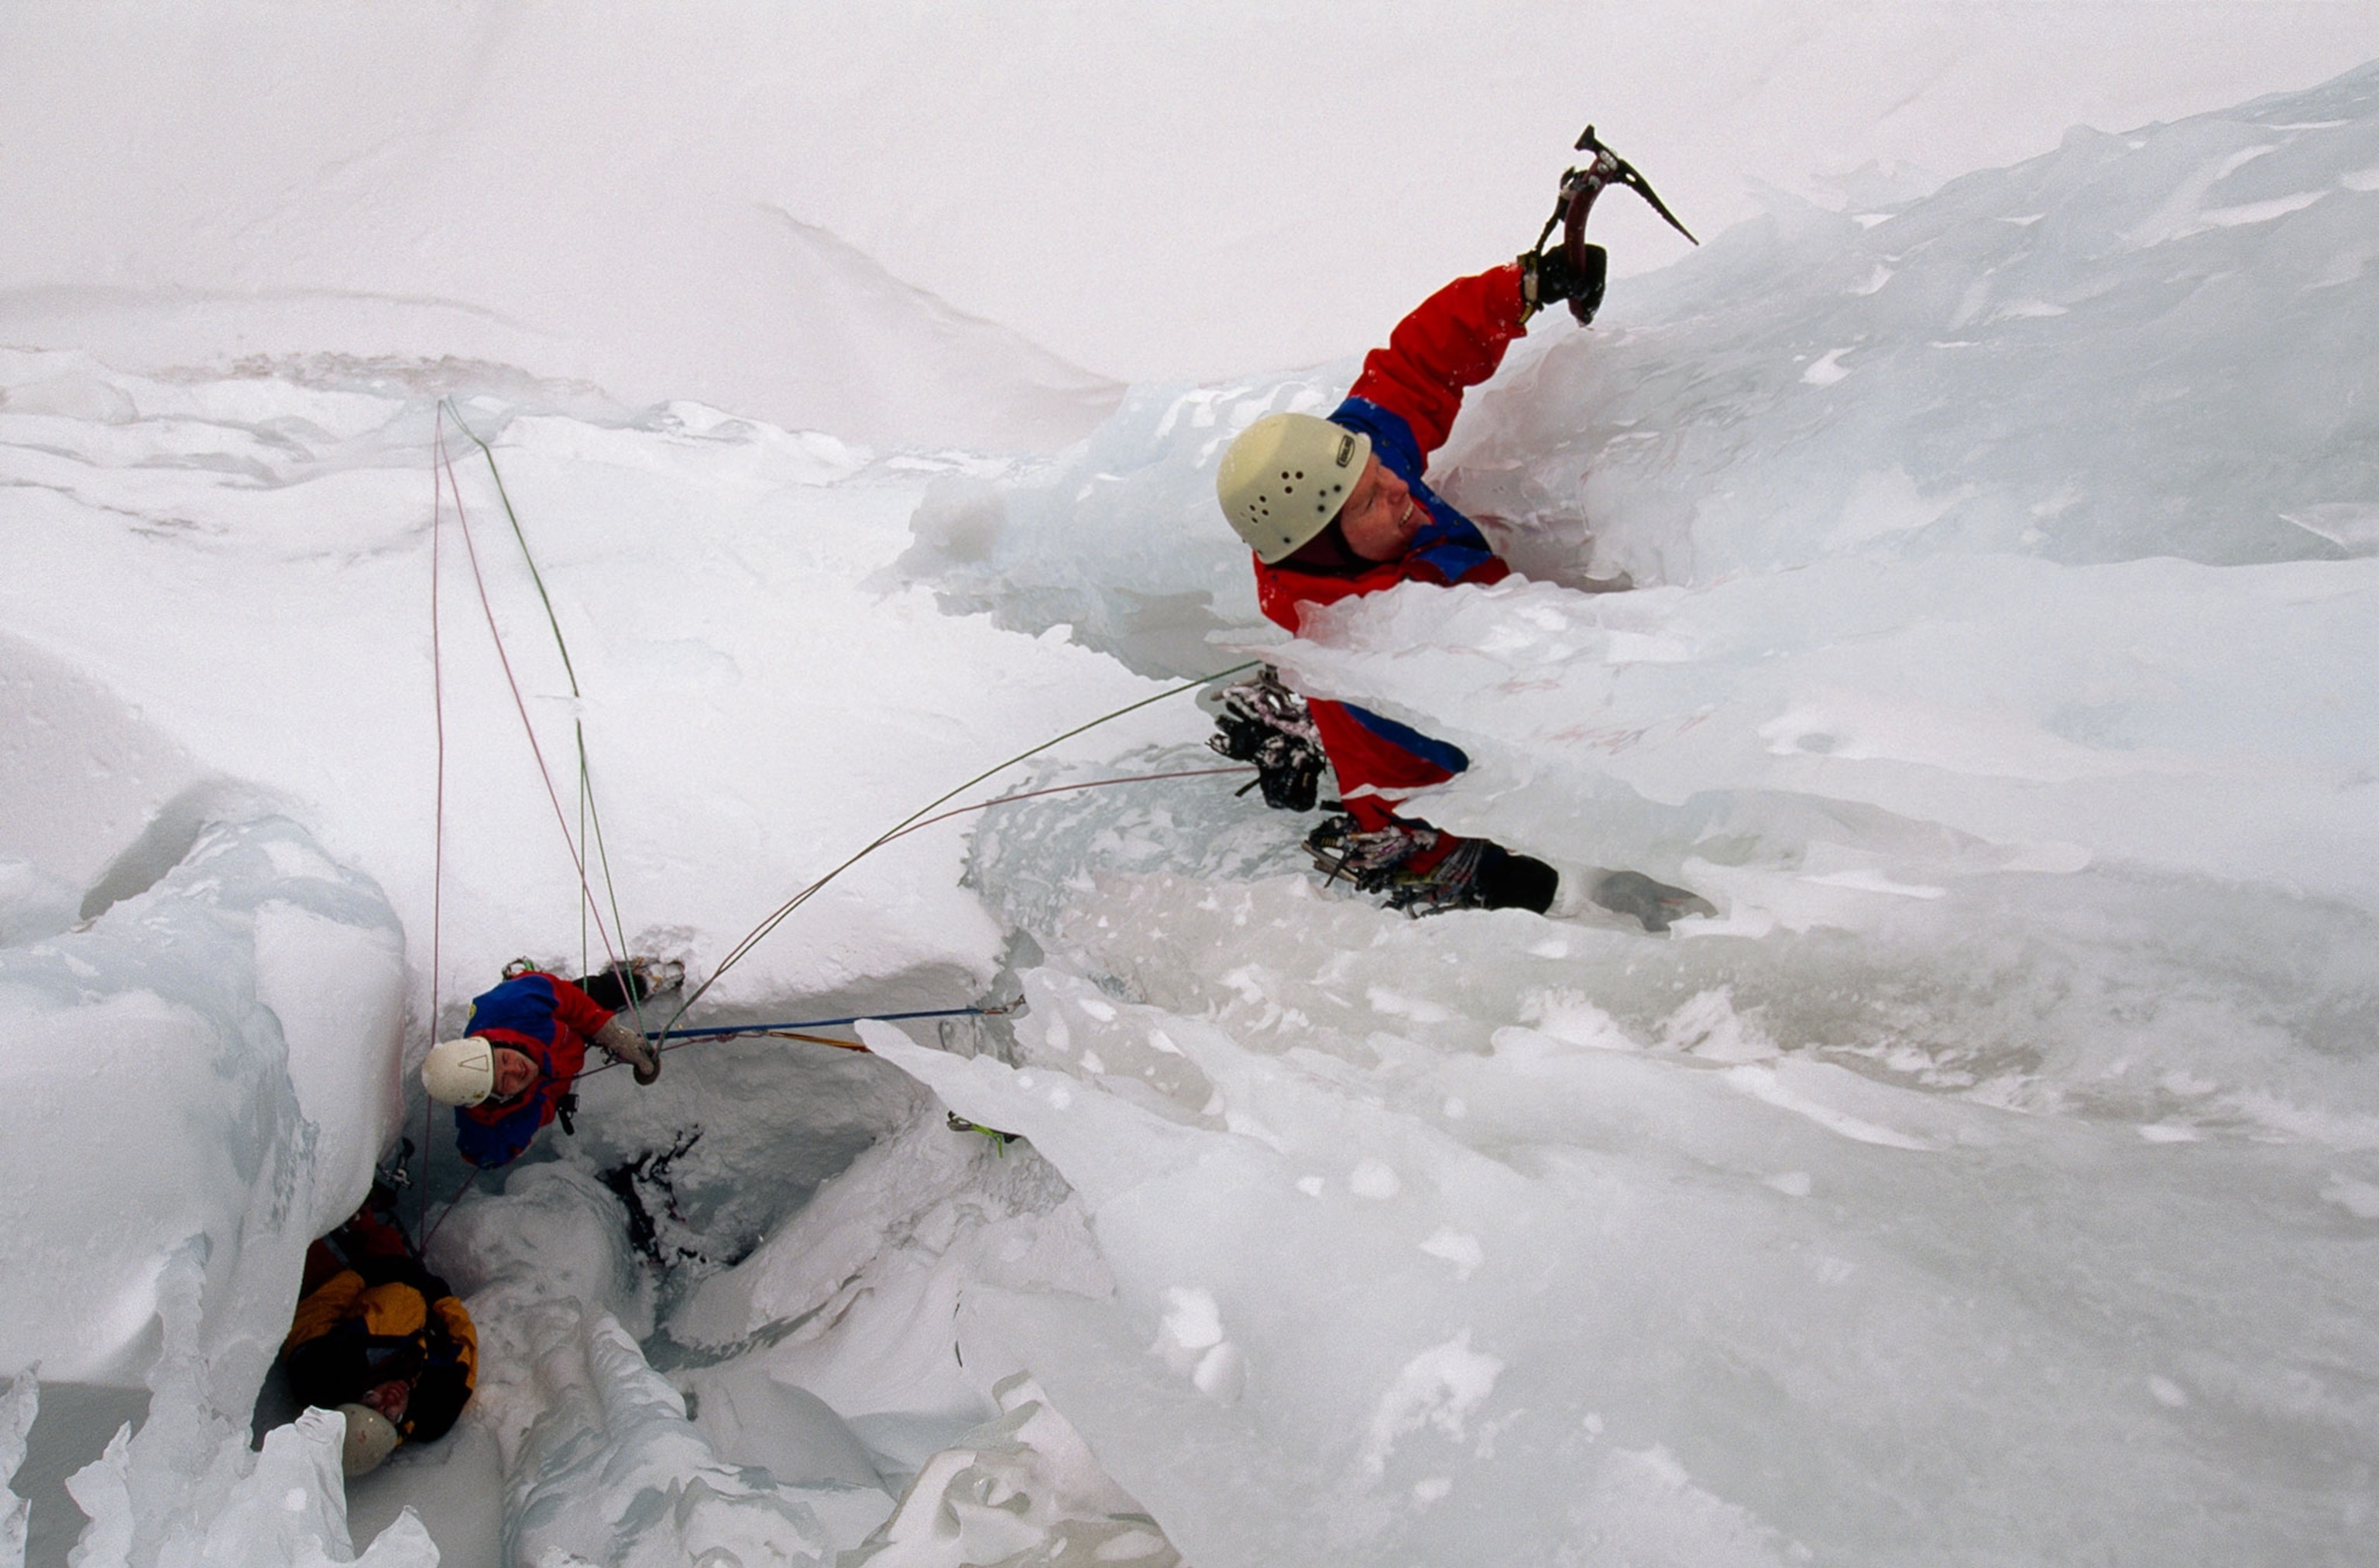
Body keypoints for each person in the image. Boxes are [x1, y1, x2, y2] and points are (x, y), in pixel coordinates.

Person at [1213, 249, 1603, 915]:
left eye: (1376, 470)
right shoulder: (1367, 637)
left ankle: (1296, 711)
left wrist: (1522, 288)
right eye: (1370, 501)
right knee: (1520, 882)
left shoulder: (1348, 472)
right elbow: (1478, 738)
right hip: (1411, 783)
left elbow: (1416, 366)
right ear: (1323, 542)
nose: (1398, 484)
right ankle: (1418, 858)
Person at [420, 958, 678, 1168]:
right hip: (558, 1068)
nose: (516, 1068)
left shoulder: (510, 1005)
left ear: (494, 1044)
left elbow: (565, 997)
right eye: (503, 1081)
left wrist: (610, 1034)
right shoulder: (487, 1127)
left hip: (559, 1031)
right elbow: (481, 1155)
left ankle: (643, 980)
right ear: (492, 1099)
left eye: (503, 1059)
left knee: (593, 994)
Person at [278, 1206, 477, 1477]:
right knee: (387, 1252)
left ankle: (310, 1207)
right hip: (405, 1297)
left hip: (338, 1299)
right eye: (390, 1415)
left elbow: (316, 1310)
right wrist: (440, 1300)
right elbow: (464, 1346)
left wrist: (359, 1277)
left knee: (293, 1241)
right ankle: (361, 1222)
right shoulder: (434, 1409)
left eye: (372, 1404)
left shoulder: (318, 1375)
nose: (389, 1401)